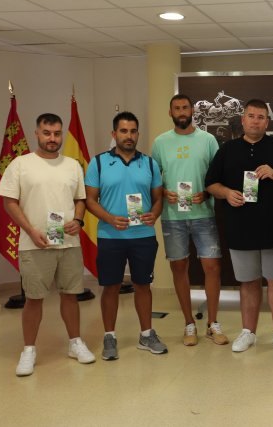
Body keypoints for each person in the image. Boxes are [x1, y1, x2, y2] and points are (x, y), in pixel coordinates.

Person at [0, 113, 95, 376]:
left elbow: (81, 199)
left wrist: (78, 220)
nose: (52, 138)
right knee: (33, 298)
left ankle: (75, 343)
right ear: (37, 134)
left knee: (71, 295)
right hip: (34, 243)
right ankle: (28, 350)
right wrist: (30, 230)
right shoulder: (20, 164)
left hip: (69, 243)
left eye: (57, 133)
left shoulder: (72, 165)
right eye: (47, 133)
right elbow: (9, 202)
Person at [205, 99, 273, 354]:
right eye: (251, 116)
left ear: (267, 122)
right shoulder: (228, 149)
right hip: (241, 229)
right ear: (243, 120)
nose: (255, 121)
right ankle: (248, 332)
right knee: (248, 282)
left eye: (261, 117)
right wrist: (227, 193)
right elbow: (211, 184)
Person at [85, 112, 167, 360]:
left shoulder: (150, 164)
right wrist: (110, 218)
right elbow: (90, 200)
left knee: (143, 285)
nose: (128, 136)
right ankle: (109, 337)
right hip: (110, 236)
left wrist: (154, 214)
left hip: (143, 236)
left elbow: (158, 199)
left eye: (133, 131)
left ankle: (146, 334)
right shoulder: (98, 163)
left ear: (138, 134)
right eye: (123, 131)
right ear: (114, 134)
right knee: (111, 286)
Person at [152, 94, 228, 347]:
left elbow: (218, 174)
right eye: (177, 108)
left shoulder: (208, 140)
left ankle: (213, 323)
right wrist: (164, 192)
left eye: (185, 107)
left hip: (204, 213)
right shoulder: (160, 142)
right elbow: (153, 179)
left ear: (193, 110)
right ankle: (189, 323)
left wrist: (206, 192)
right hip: (173, 217)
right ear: (170, 112)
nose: (182, 112)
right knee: (179, 268)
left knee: (212, 267)